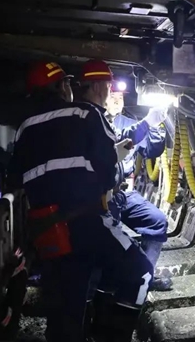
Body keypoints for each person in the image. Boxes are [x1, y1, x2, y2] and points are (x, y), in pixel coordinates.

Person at [8, 61, 154, 342]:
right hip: (86, 222)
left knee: (67, 306)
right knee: (140, 273)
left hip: (49, 232)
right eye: (67, 83)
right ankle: (109, 337)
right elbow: (109, 172)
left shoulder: (25, 128)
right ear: (62, 87)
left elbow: (14, 178)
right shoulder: (86, 114)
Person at [76, 60, 173, 292]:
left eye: (121, 97)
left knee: (157, 221)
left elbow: (152, 150)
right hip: (101, 195)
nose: (117, 100)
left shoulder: (130, 122)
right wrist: (146, 123)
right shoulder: (92, 120)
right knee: (107, 238)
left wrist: (156, 126)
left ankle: (144, 278)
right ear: (101, 93)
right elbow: (119, 141)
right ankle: (104, 288)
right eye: (113, 94)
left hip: (123, 192)